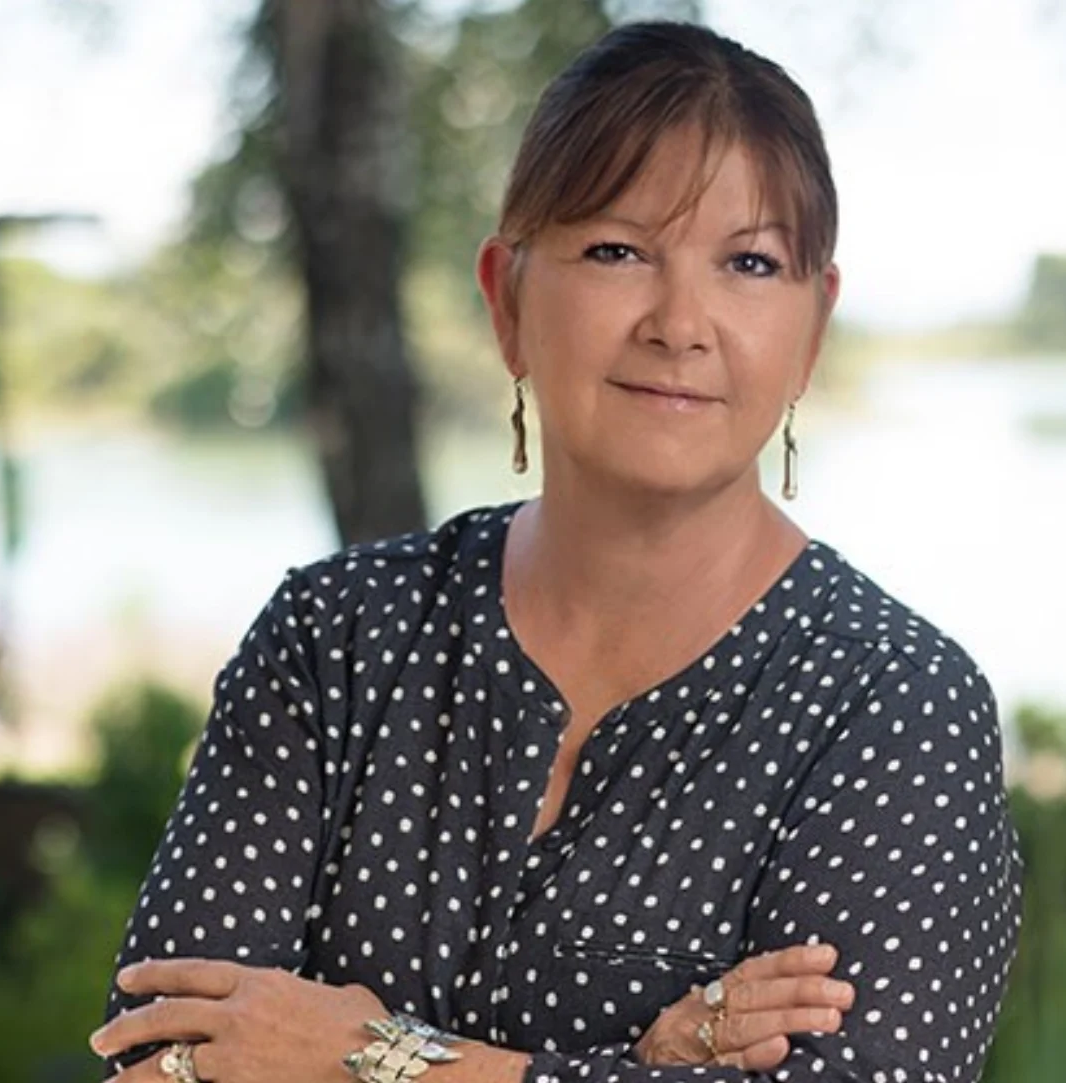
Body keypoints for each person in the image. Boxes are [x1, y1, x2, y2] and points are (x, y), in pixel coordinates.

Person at [90, 19, 1023, 1083]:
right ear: (507, 299)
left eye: (750, 263)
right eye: (617, 251)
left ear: (813, 329)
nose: (682, 322)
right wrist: (641, 1061)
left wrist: (374, 1058)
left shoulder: (894, 701)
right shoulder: (335, 638)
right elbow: (158, 1060)